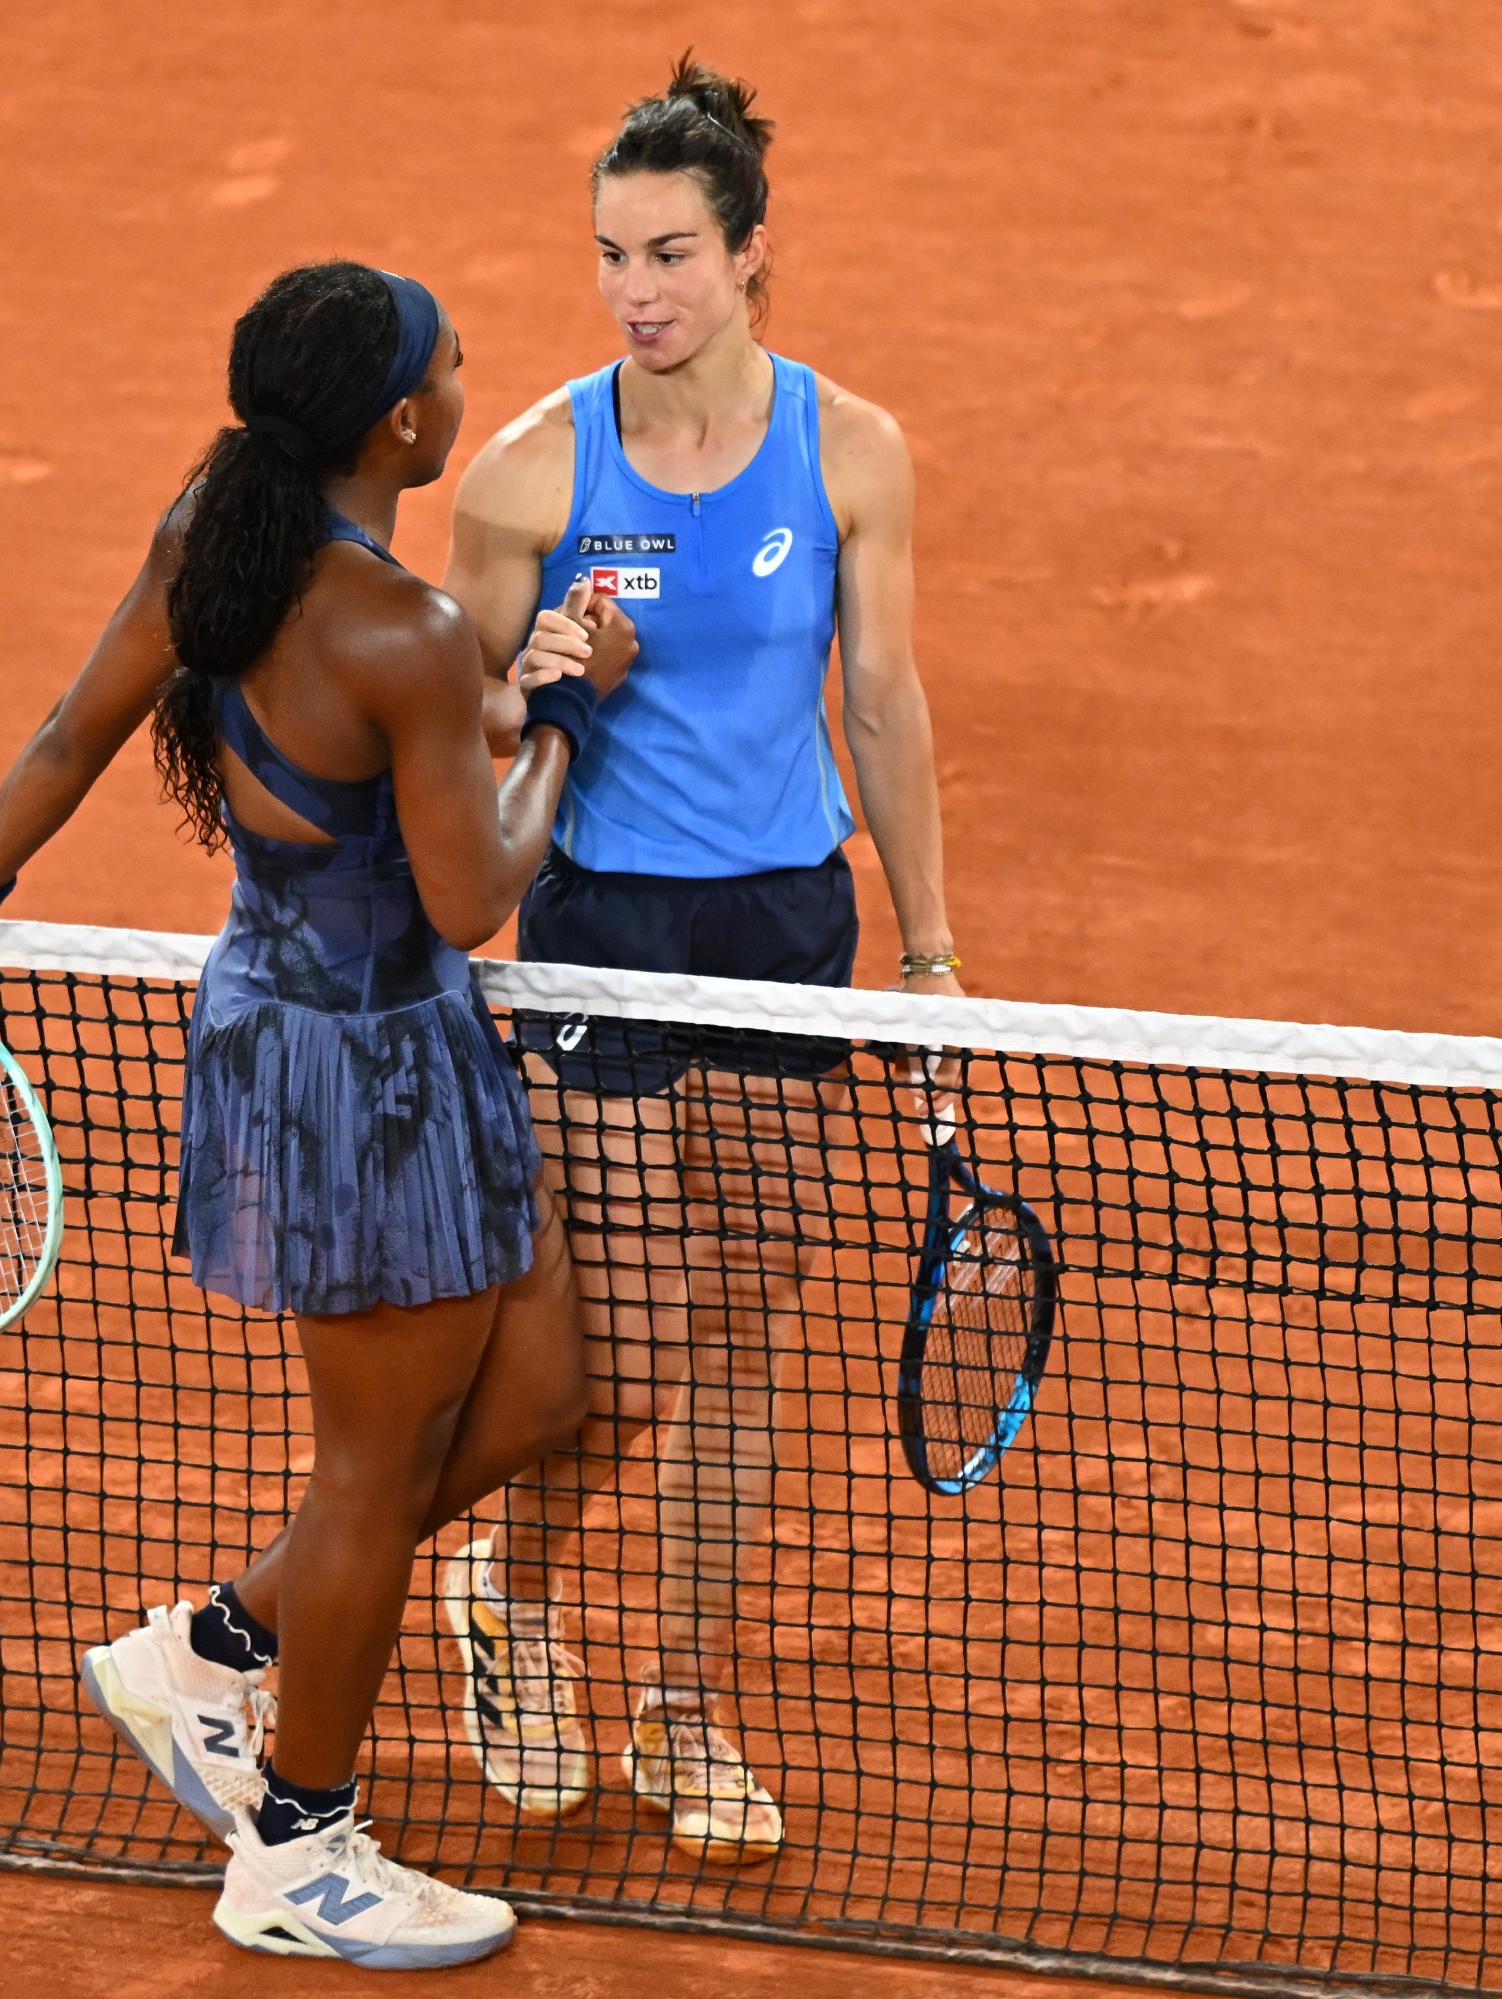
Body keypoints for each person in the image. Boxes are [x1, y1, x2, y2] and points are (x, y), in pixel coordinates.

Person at [0, 262, 634, 1966]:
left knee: (549, 1384)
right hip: (371, 1080)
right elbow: (475, 887)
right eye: (451, 367)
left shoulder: (217, 524)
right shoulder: (400, 635)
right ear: (398, 422)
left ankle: (205, 1651)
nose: (470, 378)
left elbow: (78, 723)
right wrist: (562, 713)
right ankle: (299, 1846)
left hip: (309, 1036)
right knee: (370, 1477)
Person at [438, 58, 962, 1866]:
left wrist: (933, 954)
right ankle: (510, 1607)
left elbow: (879, 703)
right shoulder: (528, 474)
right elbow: (457, 713)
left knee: (743, 1336)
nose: (635, 292)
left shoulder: (851, 450)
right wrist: (547, 679)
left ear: (752, 258)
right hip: (607, 933)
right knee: (637, 1346)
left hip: (783, 927)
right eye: (610, 257)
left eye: (669, 254)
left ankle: (685, 1704)